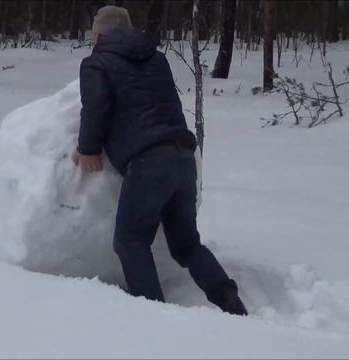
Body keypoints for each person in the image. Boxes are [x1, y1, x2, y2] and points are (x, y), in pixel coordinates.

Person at [72, 5, 248, 316]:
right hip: (183, 155)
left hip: (148, 162)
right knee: (186, 244)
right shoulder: (156, 57)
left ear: (98, 35)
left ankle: (154, 315)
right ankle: (225, 294)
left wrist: (88, 149)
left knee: (130, 240)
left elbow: (96, 106)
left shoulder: (96, 63)